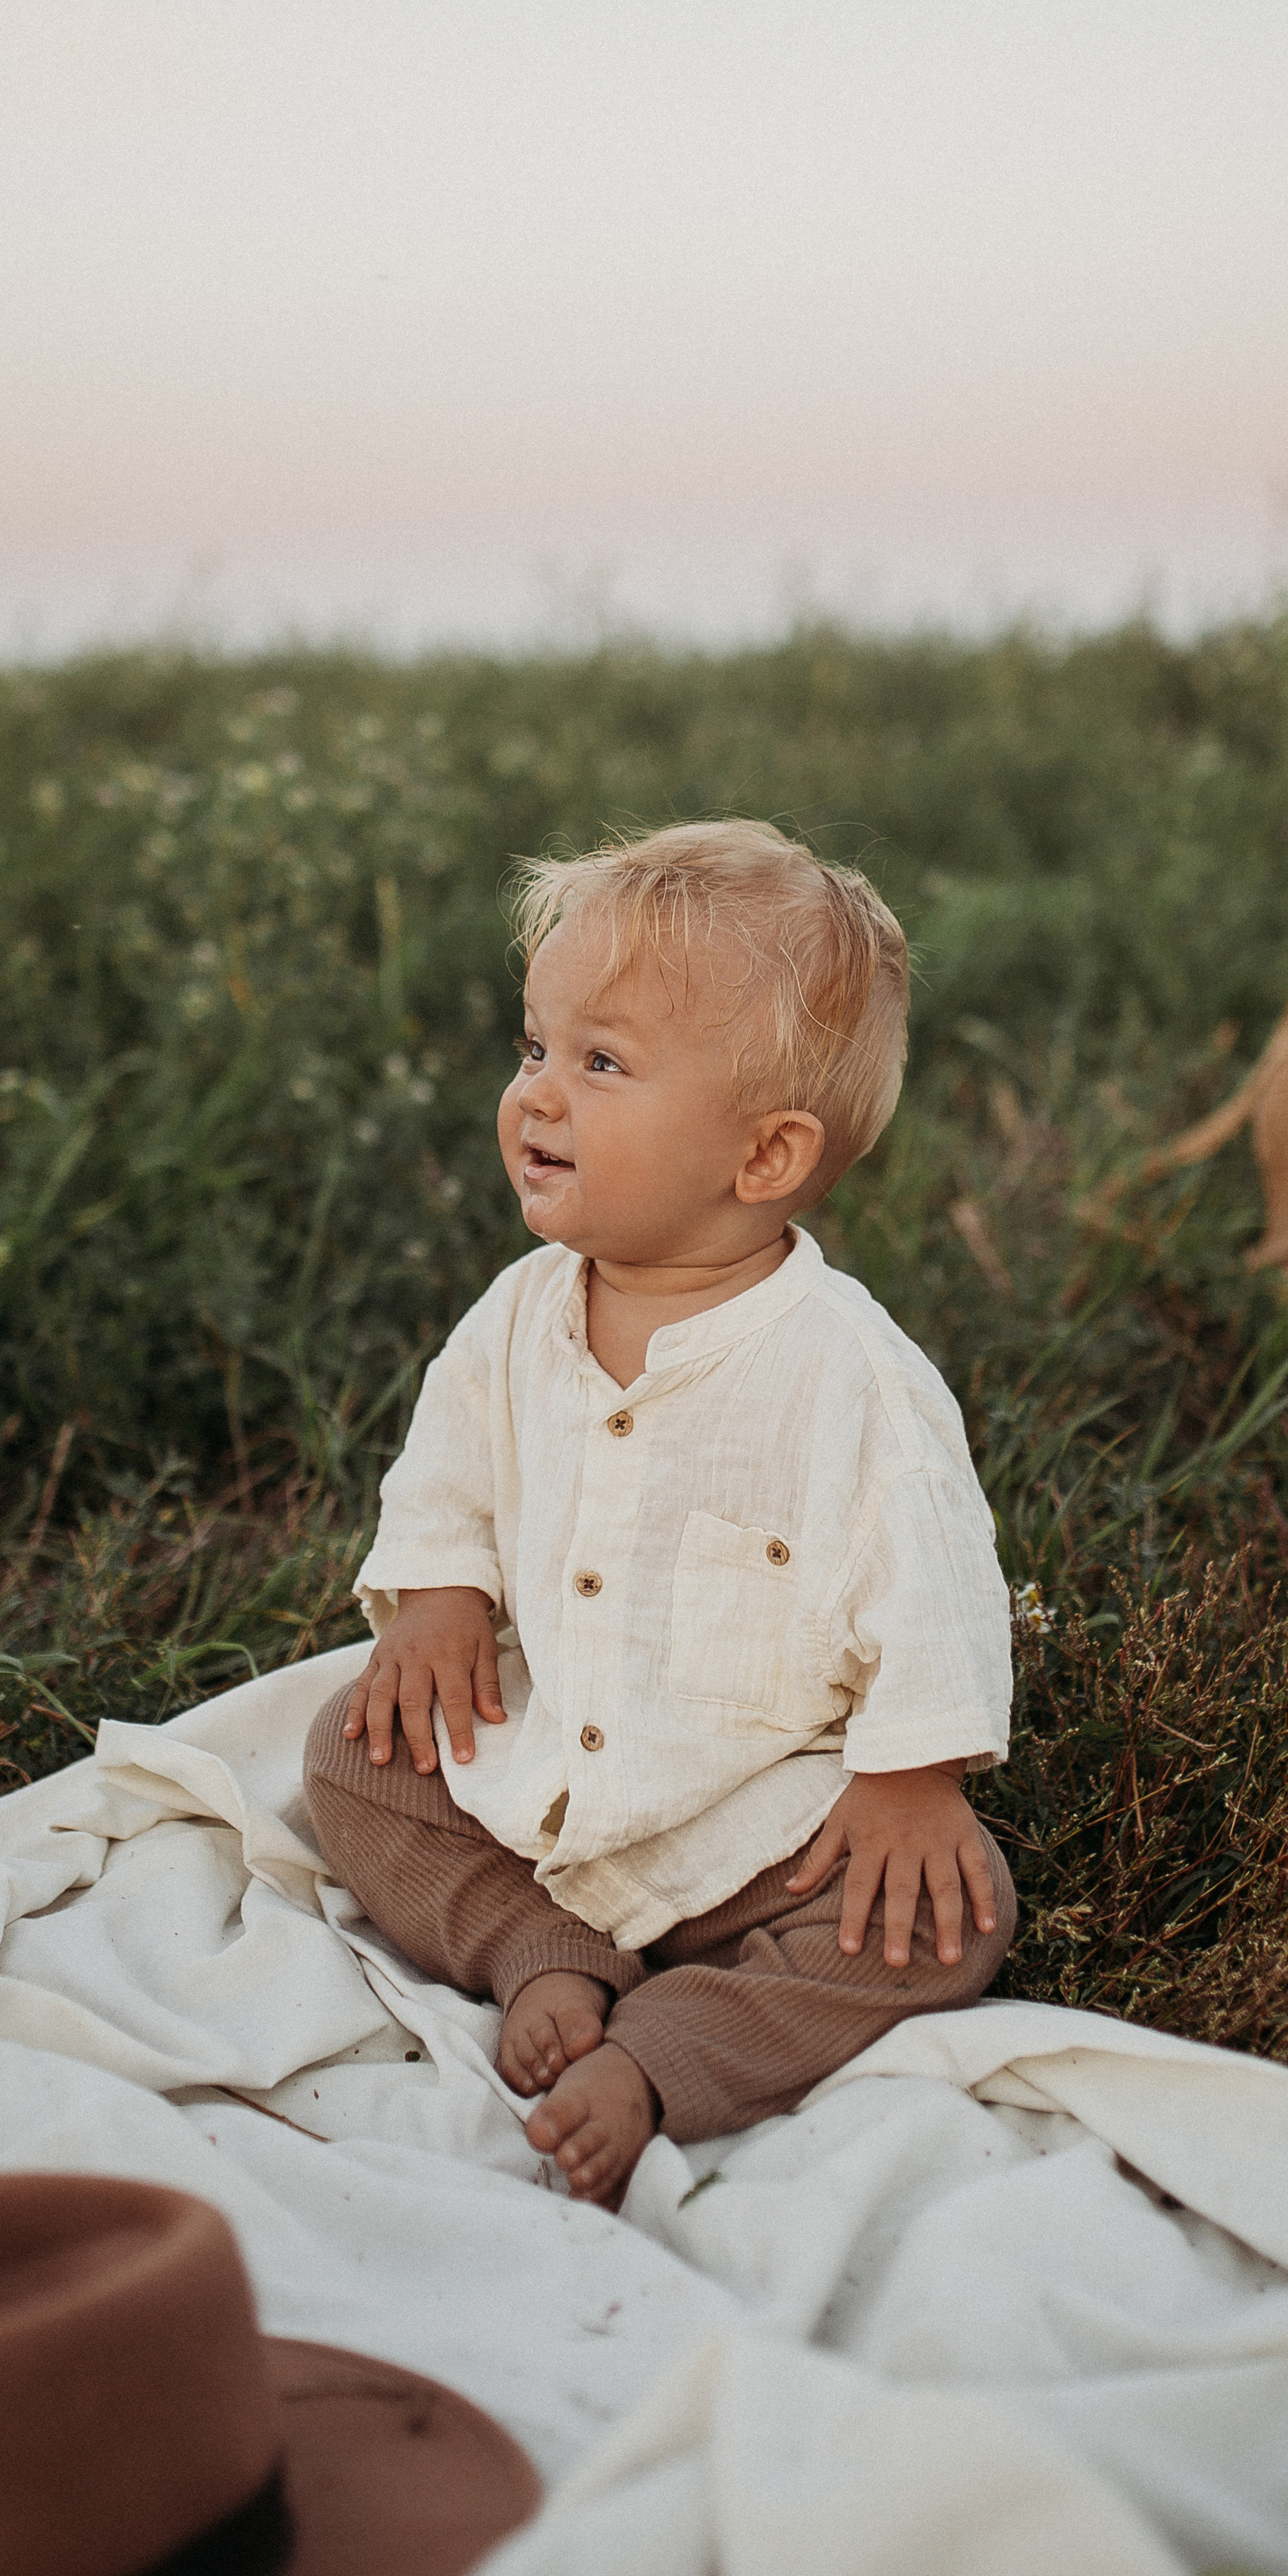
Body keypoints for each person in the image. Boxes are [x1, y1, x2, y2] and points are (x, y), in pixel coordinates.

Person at [304, 819, 1015, 2206]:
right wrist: (442, 1591)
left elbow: (931, 1585)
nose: (536, 1097)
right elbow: (450, 1460)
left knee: (944, 1916)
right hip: (553, 1778)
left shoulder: (844, 1379)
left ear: (762, 1157)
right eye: (533, 1048)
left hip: (759, 1829)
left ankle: (665, 2055)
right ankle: (535, 1949)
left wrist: (909, 1782)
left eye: (601, 1062)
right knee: (351, 1748)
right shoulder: (520, 1316)